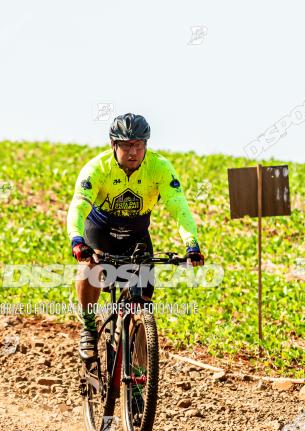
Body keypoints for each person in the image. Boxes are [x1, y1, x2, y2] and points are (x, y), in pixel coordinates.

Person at [66, 112, 204, 359]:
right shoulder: (96, 168)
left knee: (143, 300)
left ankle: (138, 375)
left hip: (136, 237)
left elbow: (179, 206)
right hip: (101, 232)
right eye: (127, 145)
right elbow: (79, 205)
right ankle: (88, 327)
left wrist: (191, 245)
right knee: (91, 268)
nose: (133, 152)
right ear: (113, 145)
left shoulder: (159, 167)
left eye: (138, 146)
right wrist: (77, 240)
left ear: (146, 145)